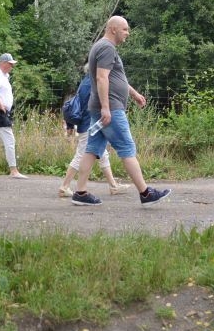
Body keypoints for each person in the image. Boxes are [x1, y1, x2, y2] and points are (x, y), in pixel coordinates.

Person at [72, 16, 171, 206]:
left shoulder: (102, 47)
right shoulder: (107, 48)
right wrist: (106, 108)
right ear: (113, 29)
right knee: (127, 147)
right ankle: (145, 193)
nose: (128, 33)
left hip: (99, 107)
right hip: (109, 108)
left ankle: (81, 192)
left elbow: (117, 77)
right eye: (125, 29)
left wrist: (134, 94)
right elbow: (102, 78)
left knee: (92, 149)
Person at [58, 65, 123, 198]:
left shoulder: (85, 82)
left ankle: (113, 186)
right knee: (81, 154)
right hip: (89, 124)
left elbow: (78, 104)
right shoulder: (92, 84)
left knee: (102, 153)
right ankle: (64, 186)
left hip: (89, 124)